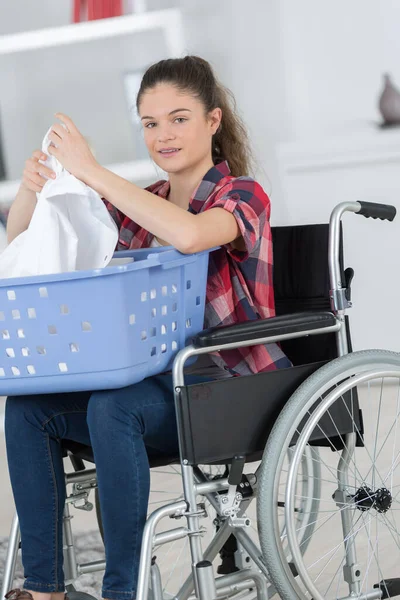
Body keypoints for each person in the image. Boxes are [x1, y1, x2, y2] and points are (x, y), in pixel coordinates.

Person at [4, 55, 292, 600]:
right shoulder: (147, 204)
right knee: (28, 410)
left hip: (226, 389)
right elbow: (33, 246)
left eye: (179, 119)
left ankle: (123, 591)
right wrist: (31, 192)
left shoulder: (243, 195)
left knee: (115, 406)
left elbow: (188, 237)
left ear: (213, 121)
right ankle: (45, 590)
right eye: (150, 123)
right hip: (159, 383)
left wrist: (93, 172)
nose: (163, 135)